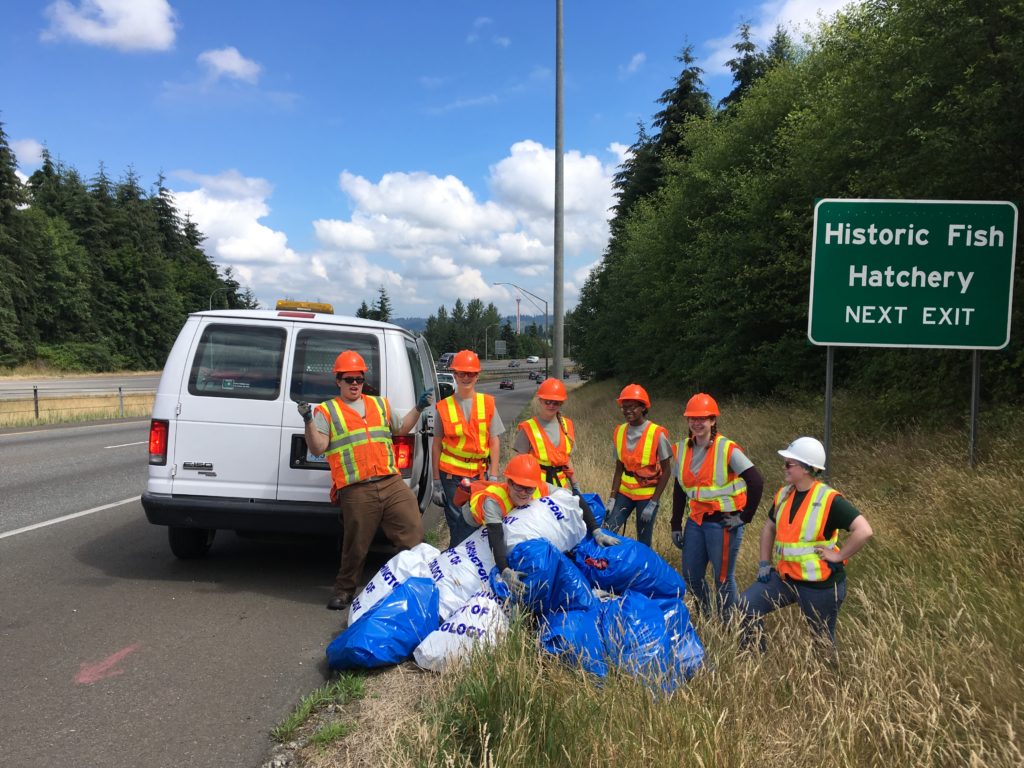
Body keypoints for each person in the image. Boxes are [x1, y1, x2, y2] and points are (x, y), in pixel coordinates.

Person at [298, 349, 433, 611]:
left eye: (358, 379)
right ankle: (345, 590)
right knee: (356, 544)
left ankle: (412, 583)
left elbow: (402, 428)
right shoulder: (328, 411)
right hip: (356, 488)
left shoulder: (379, 404)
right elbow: (317, 448)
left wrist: (418, 407)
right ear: (338, 381)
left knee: (413, 529)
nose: (355, 384)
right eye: (349, 379)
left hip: (390, 482)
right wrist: (308, 422)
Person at [738, 437, 873, 650]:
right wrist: (764, 562)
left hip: (820, 584)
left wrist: (838, 556)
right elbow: (769, 527)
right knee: (746, 605)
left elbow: (864, 530)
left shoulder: (829, 499)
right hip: (786, 577)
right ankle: (752, 659)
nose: (784, 468)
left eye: (789, 464)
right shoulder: (783, 494)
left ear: (807, 468)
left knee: (822, 641)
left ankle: (830, 678)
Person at [468, 454, 619, 596]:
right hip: (473, 521)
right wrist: (504, 570)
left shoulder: (541, 487)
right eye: (519, 487)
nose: (523, 493)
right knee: (476, 558)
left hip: (505, 519)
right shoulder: (494, 502)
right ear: (509, 482)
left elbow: (574, 499)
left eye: (529, 488)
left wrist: (596, 531)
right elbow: (496, 536)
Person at [670, 392, 763, 620]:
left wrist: (744, 517)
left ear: (713, 421)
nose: (697, 423)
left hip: (723, 524)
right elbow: (679, 489)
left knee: (722, 579)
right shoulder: (682, 449)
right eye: (692, 418)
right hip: (697, 520)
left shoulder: (727, 449)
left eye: (703, 418)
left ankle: (730, 624)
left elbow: (756, 480)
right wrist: (675, 523)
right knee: (691, 576)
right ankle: (708, 615)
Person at [431, 349, 505, 548]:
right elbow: (436, 444)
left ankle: (464, 561)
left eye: (470, 373)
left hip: (479, 475)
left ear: (477, 376)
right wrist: (436, 481)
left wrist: (494, 474)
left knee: (477, 520)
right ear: (454, 375)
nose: (466, 378)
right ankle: (456, 565)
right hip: (451, 476)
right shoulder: (444, 407)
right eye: (461, 373)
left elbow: (494, 440)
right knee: (457, 523)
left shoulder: (487, 403)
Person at [604, 384, 673, 547]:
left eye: (632, 407)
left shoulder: (657, 433)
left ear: (643, 407)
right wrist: (612, 498)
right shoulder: (619, 431)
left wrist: (654, 502)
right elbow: (619, 468)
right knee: (607, 532)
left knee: (643, 541)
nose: (627, 411)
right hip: (624, 493)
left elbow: (667, 471)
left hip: (647, 496)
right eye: (624, 407)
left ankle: (644, 571)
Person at [513, 377, 577, 490]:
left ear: (561, 403)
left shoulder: (567, 425)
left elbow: (567, 460)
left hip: (562, 489)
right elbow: (519, 464)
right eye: (547, 402)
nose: (551, 405)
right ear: (540, 400)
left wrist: (576, 486)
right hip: (536, 489)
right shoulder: (528, 428)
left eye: (555, 403)